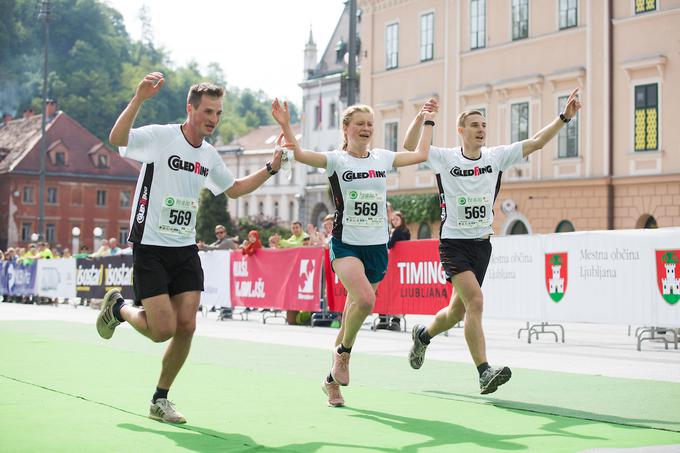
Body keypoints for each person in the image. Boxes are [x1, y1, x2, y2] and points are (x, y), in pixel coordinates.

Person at [101, 72, 282, 424]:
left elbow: (234, 189)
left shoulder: (210, 155)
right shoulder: (161, 137)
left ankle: (160, 398)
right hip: (150, 245)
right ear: (190, 109)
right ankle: (119, 308)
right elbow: (116, 138)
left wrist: (271, 168)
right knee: (162, 330)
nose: (213, 119)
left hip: (185, 248)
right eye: (208, 112)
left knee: (187, 326)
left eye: (218, 113)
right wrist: (138, 98)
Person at [403, 89, 582, 394]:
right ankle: (484, 372)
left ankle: (423, 335)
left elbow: (536, 141)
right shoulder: (445, 158)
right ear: (461, 131)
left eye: (483, 125)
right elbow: (409, 146)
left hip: (482, 244)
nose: (481, 130)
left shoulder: (495, 156)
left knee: (458, 311)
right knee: (476, 302)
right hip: (453, 243)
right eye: (474, 125)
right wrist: (422, 118)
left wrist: (564, 117)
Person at [272, 98, 435, 407]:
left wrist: (426, 120)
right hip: (346, 243)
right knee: (365, 300)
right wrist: (284, 125)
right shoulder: (336, 160)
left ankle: (331, 381)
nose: (366, 128)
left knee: (352, 316)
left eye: (369, 124)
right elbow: (301, 154)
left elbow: (421, 153)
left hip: (376, 246)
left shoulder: (382, 158)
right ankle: (344, 355)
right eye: (359, 123)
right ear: (346, 128)